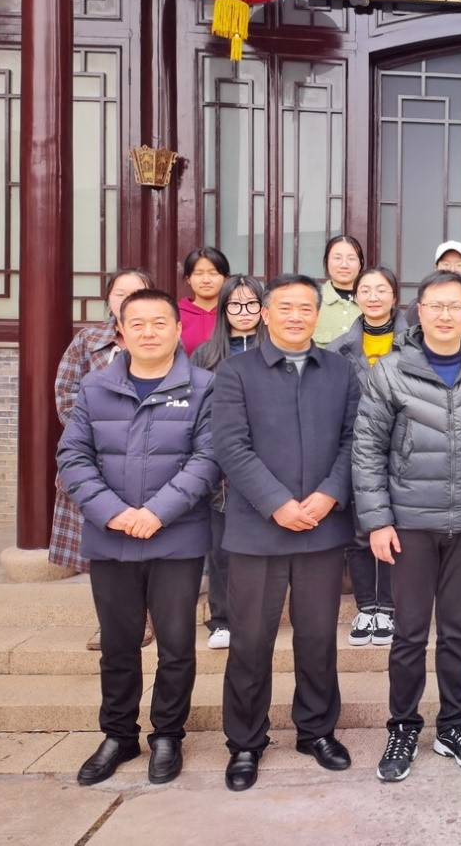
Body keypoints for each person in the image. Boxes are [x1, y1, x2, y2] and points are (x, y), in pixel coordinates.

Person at [353, 271, 461, 783]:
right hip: (410, 523)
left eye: (455, 306)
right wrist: (378, 520)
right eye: (435, 305)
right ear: (418, 311)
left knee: (457, 632)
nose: (445, 315)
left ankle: (454, 724)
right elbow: (367, 449)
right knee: (408, 633)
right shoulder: (391, 371)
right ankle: (402, 726)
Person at [56, 288, 219, 787]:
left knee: (176, 645)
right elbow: (73, 457)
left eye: (160, 322)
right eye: (138, 324)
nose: (149, 332)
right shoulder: (95, 387)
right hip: (112, 537)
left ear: (178, 330)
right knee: (118, 645)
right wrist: (114, 513)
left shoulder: (204, 387)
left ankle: (168, 734)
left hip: (176, 537)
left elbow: (208, 459)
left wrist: (157, 512)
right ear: (121, 333)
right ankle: (118, 734)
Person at [212, 275, 361, 792]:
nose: (296, 316)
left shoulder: (339, 370)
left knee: (317, 637)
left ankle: (316, 730)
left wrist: (330, 494)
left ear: (317, 315)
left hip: (322, 527)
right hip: (258, 531)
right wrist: (276, 502)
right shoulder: (236, 372)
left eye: (305, 308)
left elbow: (354, 440)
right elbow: (230, 445)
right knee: (250, 641)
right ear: (265, 314)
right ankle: (245, 741)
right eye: (286, 307)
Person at [51, 267, 154, 578]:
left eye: (136, 293)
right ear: (108, 298)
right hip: (96, 452)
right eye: (120, 293)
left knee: (147, 534)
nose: (127, 300)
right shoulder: (88, 340)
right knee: (102, 537)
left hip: (149, 455)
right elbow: (66, 392)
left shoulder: (159, 338)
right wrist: (97, 433)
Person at [329, 265, 405, 648]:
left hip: (405, 449)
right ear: (356, 296)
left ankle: (388, 608)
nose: (373, 297)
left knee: (395, 526)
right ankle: (366, 606)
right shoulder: (337, 349)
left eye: (381, 289)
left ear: (394, 295)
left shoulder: (415, 345)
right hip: (357, 448)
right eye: (366, 290)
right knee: (358, 531)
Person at [191, 275, 269, 651]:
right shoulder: (205, 356)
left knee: (264, 542)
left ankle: (260, 614)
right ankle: (221, 619)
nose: (244, 312)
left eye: (251, 303)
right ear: (223, 310)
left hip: (268, 460)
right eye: (235, 305)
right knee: (221, 545)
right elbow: (196, 412)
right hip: (219, 464)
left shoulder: (275, 351)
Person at [313, 235, 365, 345]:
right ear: (326, 261)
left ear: (360, 263)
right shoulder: (312, 299)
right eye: (337, 258)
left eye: (351, 259)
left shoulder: (371, 302)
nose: (344, 265)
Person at [177, 247, 230, 355]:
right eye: (198, 273)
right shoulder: (175, 314)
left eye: (213, 273)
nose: (206, 280)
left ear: (225, 278)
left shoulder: (234, 312)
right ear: (188, 278)